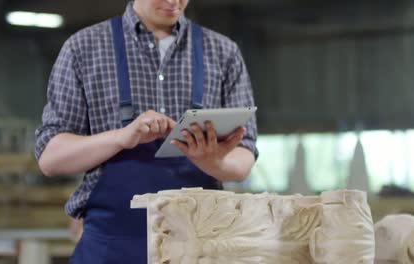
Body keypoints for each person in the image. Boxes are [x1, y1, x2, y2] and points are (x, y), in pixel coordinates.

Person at [35, 0, 258, 262]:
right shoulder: (83, 48)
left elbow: (244, 157)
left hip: (200, 248)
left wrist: (213, 161)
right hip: (111, 248)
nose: (173, 2)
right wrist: (120, 138)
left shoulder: (223, 52)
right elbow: (50, 158)